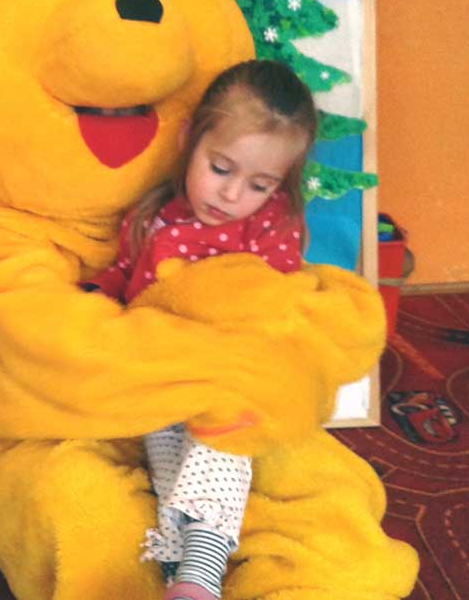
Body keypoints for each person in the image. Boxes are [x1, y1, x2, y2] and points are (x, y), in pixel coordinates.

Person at [82, 60, 318, 600]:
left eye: (259, 184)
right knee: (168, 454)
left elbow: (275, 307)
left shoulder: (272, 227)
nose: (232, 195)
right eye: (220, 168)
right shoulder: (152, 216)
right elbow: (125, 275)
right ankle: (182, 574)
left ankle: (198, 578)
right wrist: (94, 299)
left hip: (227, 378)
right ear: (190, 139)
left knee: (223, 437)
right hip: (159, 375)